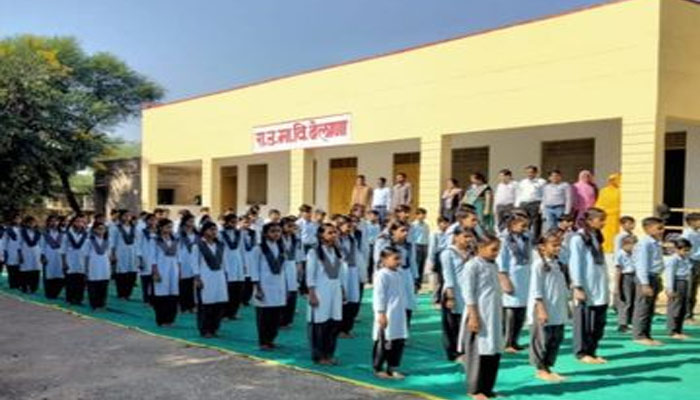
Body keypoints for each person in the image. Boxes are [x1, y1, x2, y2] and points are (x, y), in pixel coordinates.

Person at [457, 234, 503, 400]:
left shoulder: (493, 265)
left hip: (493, 314)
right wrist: (473, 316)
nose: (496, 253)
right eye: (493, 249)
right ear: (480, 248)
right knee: (478, 352)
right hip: (479, 314)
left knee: (493, 350)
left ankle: (487, 387)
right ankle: (475, 389)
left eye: (498, 250)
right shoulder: (472, 266)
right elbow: (468, 293)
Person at [569, 208, 609, 363]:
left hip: (599, 285)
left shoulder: (596, 236)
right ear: (589, 221)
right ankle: (582, 352)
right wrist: (578, 286)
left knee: (598, 323)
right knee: (584, 322)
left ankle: (592, 351)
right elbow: (575, 263)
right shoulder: (578, 239)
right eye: (601, 220)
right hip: (586, 286)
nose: (604, 223)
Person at [527, 231, 568, 382]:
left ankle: (548, 366)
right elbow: (536, 289)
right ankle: (540, 368)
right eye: (554, 245)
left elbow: (562, 287)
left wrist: (566, 305)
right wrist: (540, 308)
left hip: (557, 307)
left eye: (559, 245)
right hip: (543, 308)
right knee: (542, 339)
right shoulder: (538, 265)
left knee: (556, 337)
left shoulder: (558, 264)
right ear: (543, 247)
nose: (558, 248)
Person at [307, 223, 346, 365]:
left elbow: (340, 273)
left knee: (333, 323)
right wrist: (312, 293)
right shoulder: (314, 252)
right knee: (320, 324)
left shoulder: (337, 252)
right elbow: (310, 274)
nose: (334, 235)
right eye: (330, 232)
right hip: (320, 292)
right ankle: (319, 356)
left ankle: (329, 354)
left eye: (335, 232)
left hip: (335, 292)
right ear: (321, 235)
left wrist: (342, 290)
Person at [497, 213, 532, 353]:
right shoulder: (504, 240)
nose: (525, 228)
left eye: (526, 225)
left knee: (521, 311)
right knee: (510, 311)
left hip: (524, 278)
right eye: (522, 225)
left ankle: (514, 341)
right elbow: (501, 261)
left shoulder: (526, 237)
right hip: (511, 277)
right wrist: (504, 279)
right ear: (512, 225)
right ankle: (506, 342)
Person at [372, 247, 409, 380]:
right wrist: (381, 313)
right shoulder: (382, 275)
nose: (399, 262)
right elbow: (379, 295)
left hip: (399, 312)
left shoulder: (399, 273)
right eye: (395, 259)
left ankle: (393, 367)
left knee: (398, 340)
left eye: (399, 258)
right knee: (384, 341)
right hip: (387, 313)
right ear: (384, 259)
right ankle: (378, 368)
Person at [441, 227, 476, 361]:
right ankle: (453, 353)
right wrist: (450, 296)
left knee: (464, 322)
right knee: (452, 325)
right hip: (453, 292)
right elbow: (448, 276)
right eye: (465, 236)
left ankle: (465, 350)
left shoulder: (471, 253)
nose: (468, 240)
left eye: (470, 236)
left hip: (467, 292)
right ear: (455, 237)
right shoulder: (448, 253)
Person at [374, 222, 419, 326]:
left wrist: (415, 278)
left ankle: (404, 329)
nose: (405, 233)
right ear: (393, 231)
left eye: (407, 230)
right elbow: (378, 261)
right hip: (390, 275)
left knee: (407, 303)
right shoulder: (384, 243)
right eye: (402, 230)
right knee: (391, 304)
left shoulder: (408, 244)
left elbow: (412, 261)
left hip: (406, 275)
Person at [251, 222, 287, 350]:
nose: (276, 234)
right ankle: (263, 341)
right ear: (265, 233)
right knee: (264, 316)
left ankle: (271, 339)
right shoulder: (258, 249)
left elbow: (284, 269)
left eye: (278, 231)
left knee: (275, 316)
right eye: (273, 231)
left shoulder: (281, 248)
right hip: (264, 285)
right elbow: (254, 269)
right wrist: (258, 287)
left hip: (279, 285)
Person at [632, 216, 665, 346]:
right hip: (646, 278)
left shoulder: (655, 243)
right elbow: (641, 265)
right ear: (648, 229)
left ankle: (646, 334)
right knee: (643, 307)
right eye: (659, 228)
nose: (662, 231)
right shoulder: (644, 244)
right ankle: (639, 335)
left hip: (654, 276)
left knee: (650, 308)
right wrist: (645, 284)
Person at [194, 221, 228, 338]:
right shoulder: (198, 245)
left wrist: (225, 276)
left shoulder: (220, 245)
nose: (214, 232)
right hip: (205, 276)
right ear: (204, 231)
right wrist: (197, 278)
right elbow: (195, 262)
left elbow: (224, 262)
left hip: (219, 276)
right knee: (206, 304)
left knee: (218, 303)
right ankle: (205, 329)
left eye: (215, 229)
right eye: (211, 229)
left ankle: (214, 328)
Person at [337, 216, 365, 338]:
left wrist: (362, 273)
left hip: (353, 271)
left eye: (351, 225)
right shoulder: (336, 240)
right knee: (342, 301)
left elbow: (358, 256)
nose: (350, 228)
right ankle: (339, 329)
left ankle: (347, 328)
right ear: (340, 226)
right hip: (342, 271)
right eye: (347, 225)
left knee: (353, 301)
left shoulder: (352, 239)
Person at [152, 219, 180, 327]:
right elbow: (152, 258)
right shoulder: (155, 240)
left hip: (173, 269)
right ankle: (161, 320)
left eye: (171, 227)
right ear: (161, 227)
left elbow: (178, 256)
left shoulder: (175, 240)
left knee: (173, 295)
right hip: (161, 269)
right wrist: (155, 272)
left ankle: (171, 319)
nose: (170, 229)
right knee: (162, 295)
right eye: (167, 227)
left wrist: (179, 270)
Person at [665, 238, 693, 340]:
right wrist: (670, 288)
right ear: (677, 249)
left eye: (688, 250)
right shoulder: (673, 260)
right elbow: (670, 274)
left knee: (682, 308)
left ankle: (679, 330)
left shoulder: (685, 259)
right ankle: (672, 330)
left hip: (684, 282)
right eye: (684, 250)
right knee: (675, 307)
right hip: (677, 282)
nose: (686, 252)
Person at [220, 213, 245, 319]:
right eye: (232, 222)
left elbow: (242, 249)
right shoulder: (220, 234)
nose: (234, 224)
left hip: (238, 263)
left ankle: (233, 312)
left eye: (235, 222)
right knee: (228, 289)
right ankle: (224, 313)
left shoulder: (239, 233)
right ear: (226, 222)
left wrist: (244, 264)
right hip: (226, 262)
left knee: (238, 289)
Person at [280, 217, 303, 328]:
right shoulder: (278, 238)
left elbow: (299, 253)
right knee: (282, 294)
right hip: (280, 267)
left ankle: (288, 320)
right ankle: (280, 320)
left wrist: (299, 265)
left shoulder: (295, 238)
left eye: (293, 226)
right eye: (288, 226)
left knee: (292, 293)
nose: (291, 228)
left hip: (292, 267)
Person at [63, 214, 89, 305]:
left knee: (81, 281)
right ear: (73, 222)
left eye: (81, 222)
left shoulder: (86, 234)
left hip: (82, 260)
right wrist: (64, 262)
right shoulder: (67, 234)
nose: (79, 223)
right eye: (77, 221)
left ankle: (79, 299)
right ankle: (69, 299)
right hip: (70, 260)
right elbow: (63, 250)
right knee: (70, 280)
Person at [85, 221, 112, 310]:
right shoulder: (89, 241)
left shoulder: (107, 241)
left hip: (104, 265)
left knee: (103, 285)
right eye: (99, 229)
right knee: (93, 285)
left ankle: (102, 303)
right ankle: (94, 304)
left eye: (103, 229)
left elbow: (109, 255)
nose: (101, 231)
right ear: (94, 230)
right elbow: (86, 256)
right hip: (93, 265)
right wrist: (86, 268)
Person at [112, 210, 138, 300]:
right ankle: (121, 293)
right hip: (121, 253)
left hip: (132, 253)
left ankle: (128, 294)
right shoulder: (116, 228)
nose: (127, 217)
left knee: (132, 273)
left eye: (129, 216)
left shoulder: (134, 228)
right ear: (121, 217)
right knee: (121, 274)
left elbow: (137, 241)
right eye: (125, 216)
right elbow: (113, 242)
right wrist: (113, 254)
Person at [515, 166, 546, 239]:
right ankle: (524, 238)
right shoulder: (522, 182)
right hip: (523, 204)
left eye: (531, 172)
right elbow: (519, 194)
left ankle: (535, 240)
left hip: (535, 204)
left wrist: (542, 206)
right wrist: (517, 205)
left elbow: (545, 195)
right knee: (523, 222)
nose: (529, 174)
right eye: (528, 172)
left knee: (535, 223)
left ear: (536, 173)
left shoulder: (541, 182)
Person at [615, 235, 637, 333]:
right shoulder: (620, 254)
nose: (634, 248)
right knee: (625, 301)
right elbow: (618, 270)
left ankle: (630, 321)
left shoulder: (633, 254)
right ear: (626, 244)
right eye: (633, 245)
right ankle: (622, 324)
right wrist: (617, 286)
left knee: (633, 300)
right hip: (625, 277)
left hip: (634, 276)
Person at [595, 173, 621, 253]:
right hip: (606, 216)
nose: (612, 182)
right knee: (605, 233)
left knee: (615, 233)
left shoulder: (620, 191)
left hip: (616, 216)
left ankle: (614, 248)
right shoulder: (603, 191)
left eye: (615, 180)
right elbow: (599, 204)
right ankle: (605, 248)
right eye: (611, 180)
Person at [540, 170, 572, 234]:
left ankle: (561, 239)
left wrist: (567, 212)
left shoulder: (565, 185)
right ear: (549, 178)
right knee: (550, 227)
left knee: (561, 227)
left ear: (560, 177)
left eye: (557, 176)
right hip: (548, 209)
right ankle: (552, 238)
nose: (555, 177)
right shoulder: (546, 187)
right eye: (552, 176)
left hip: (560, 208)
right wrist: (542, 209)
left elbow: (568, 198)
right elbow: (544, 198)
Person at [178, 214, 198, 313]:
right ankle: (183, 305)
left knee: (192, 284)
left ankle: (191, 305)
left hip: (193, 260)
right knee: (183, 283)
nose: (192, 223)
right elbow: (177, 249)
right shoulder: (179, 234)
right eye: (190, 221)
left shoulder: (197, 234)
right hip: (183, 260)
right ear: (185, 222)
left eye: (193, 221)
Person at [428, 216, 451, 304]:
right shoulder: (435, 234)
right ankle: (435, 298)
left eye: (447, 223)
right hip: (438, 256)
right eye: (443, 223)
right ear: (439, 224)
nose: (445, 225)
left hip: (447, 255)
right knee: (438, 279)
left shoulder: (449, 234)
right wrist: (432, 261)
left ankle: (443, 297)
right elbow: (432, 248)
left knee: (445, 278)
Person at [682, 213, 700, 321]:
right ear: (692, 222)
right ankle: (686, 314)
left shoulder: (697, 233)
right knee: (689, 289)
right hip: (690, 263)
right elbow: (683, 250)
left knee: (694, 290)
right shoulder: (687, 234)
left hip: (698, 262)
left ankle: (690, 313)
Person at [42, 215, 65, 299]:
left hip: (60, 256)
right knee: (49, 275)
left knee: (60, 275)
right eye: (51, 221)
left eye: (55, 221)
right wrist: (43, 256)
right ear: (48, 222)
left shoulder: (62, 232)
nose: (54, 223)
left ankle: (56, 292)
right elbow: (42, 245)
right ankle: (49, 293)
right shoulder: (45, 233)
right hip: (49, 255)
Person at [137, 213, 158, 304]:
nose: (152, 222)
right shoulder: (142, 232)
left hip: (156, 258)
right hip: (145, 257)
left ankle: (154, 298)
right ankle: (146, 298)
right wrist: (140, 258)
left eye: (154, 220)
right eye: (150, 220)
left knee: (154, 280)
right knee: (145, 279)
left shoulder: (158, 232)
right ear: (146, 221)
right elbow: (138, 245)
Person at [18, 216, 42, 294]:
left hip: (36, 253)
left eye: (33, 223)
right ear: (26, 223)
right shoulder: (22, 232)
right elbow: (19, 244)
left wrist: (41, 255)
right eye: (29, 223)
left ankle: (33, 288)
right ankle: (24, 287)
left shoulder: (38, 233)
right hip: (25, 252)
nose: (31, 224)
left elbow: (41, 244)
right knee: (25, 270)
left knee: (35, 270)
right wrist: (20, 255)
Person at [240, 215, 258, 306]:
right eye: (245, 222)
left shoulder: (253, 232)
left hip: (251, 258)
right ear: (240, 222)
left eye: (248, 222)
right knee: (241, 280)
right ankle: (240, 298)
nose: (247, 224)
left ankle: (247, 298)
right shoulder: (237, 232)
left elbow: (255, 245)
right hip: (241, 257)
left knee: (250, 280)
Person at [410, 208, 430, 286]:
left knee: (422, 264)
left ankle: (419, 283)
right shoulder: (413, 225)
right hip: (416, 245)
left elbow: (427, 236)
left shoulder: (426, 225)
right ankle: (415, 282)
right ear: (416, 215)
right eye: (421, 214)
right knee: (416, 264)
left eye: (424, 214)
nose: (422, 216)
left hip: (424, 245)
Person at [3, 214, 22, 289]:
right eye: (16, 219)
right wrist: (5, 251)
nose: (17, 220)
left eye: (19, 219)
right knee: (11, 268)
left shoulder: (22, 230)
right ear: (13, 220)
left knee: (19, 268)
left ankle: (18, 284)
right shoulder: (8, 230)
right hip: (10, 250)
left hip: (20, 252)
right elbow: (5, 241)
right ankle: (12, 284)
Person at [364, 210, 381, 282]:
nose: (374, 217)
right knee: (368, 261)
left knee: (374, 261)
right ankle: (367, 276)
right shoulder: (365, 225)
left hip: (375, 245)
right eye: (372, 215)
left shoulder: (377, 226)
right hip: (368, 245)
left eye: (375, 216)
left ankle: (371, 277)